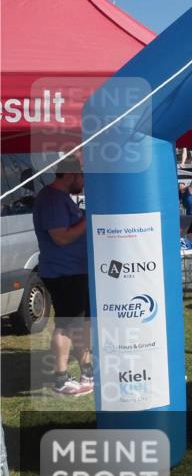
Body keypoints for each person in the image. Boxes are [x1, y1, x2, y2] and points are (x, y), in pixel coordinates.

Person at [33, 156, 93, 396]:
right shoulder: (51, 200)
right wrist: (89, 219)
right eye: (82, 176)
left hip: (75, 271)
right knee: (67, 326)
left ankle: (87, 371)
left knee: (80, 324)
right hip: (63, 273)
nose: (84, 182)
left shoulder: (61, 198)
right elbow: (61, 237)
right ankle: (61, 379)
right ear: (70, 175)